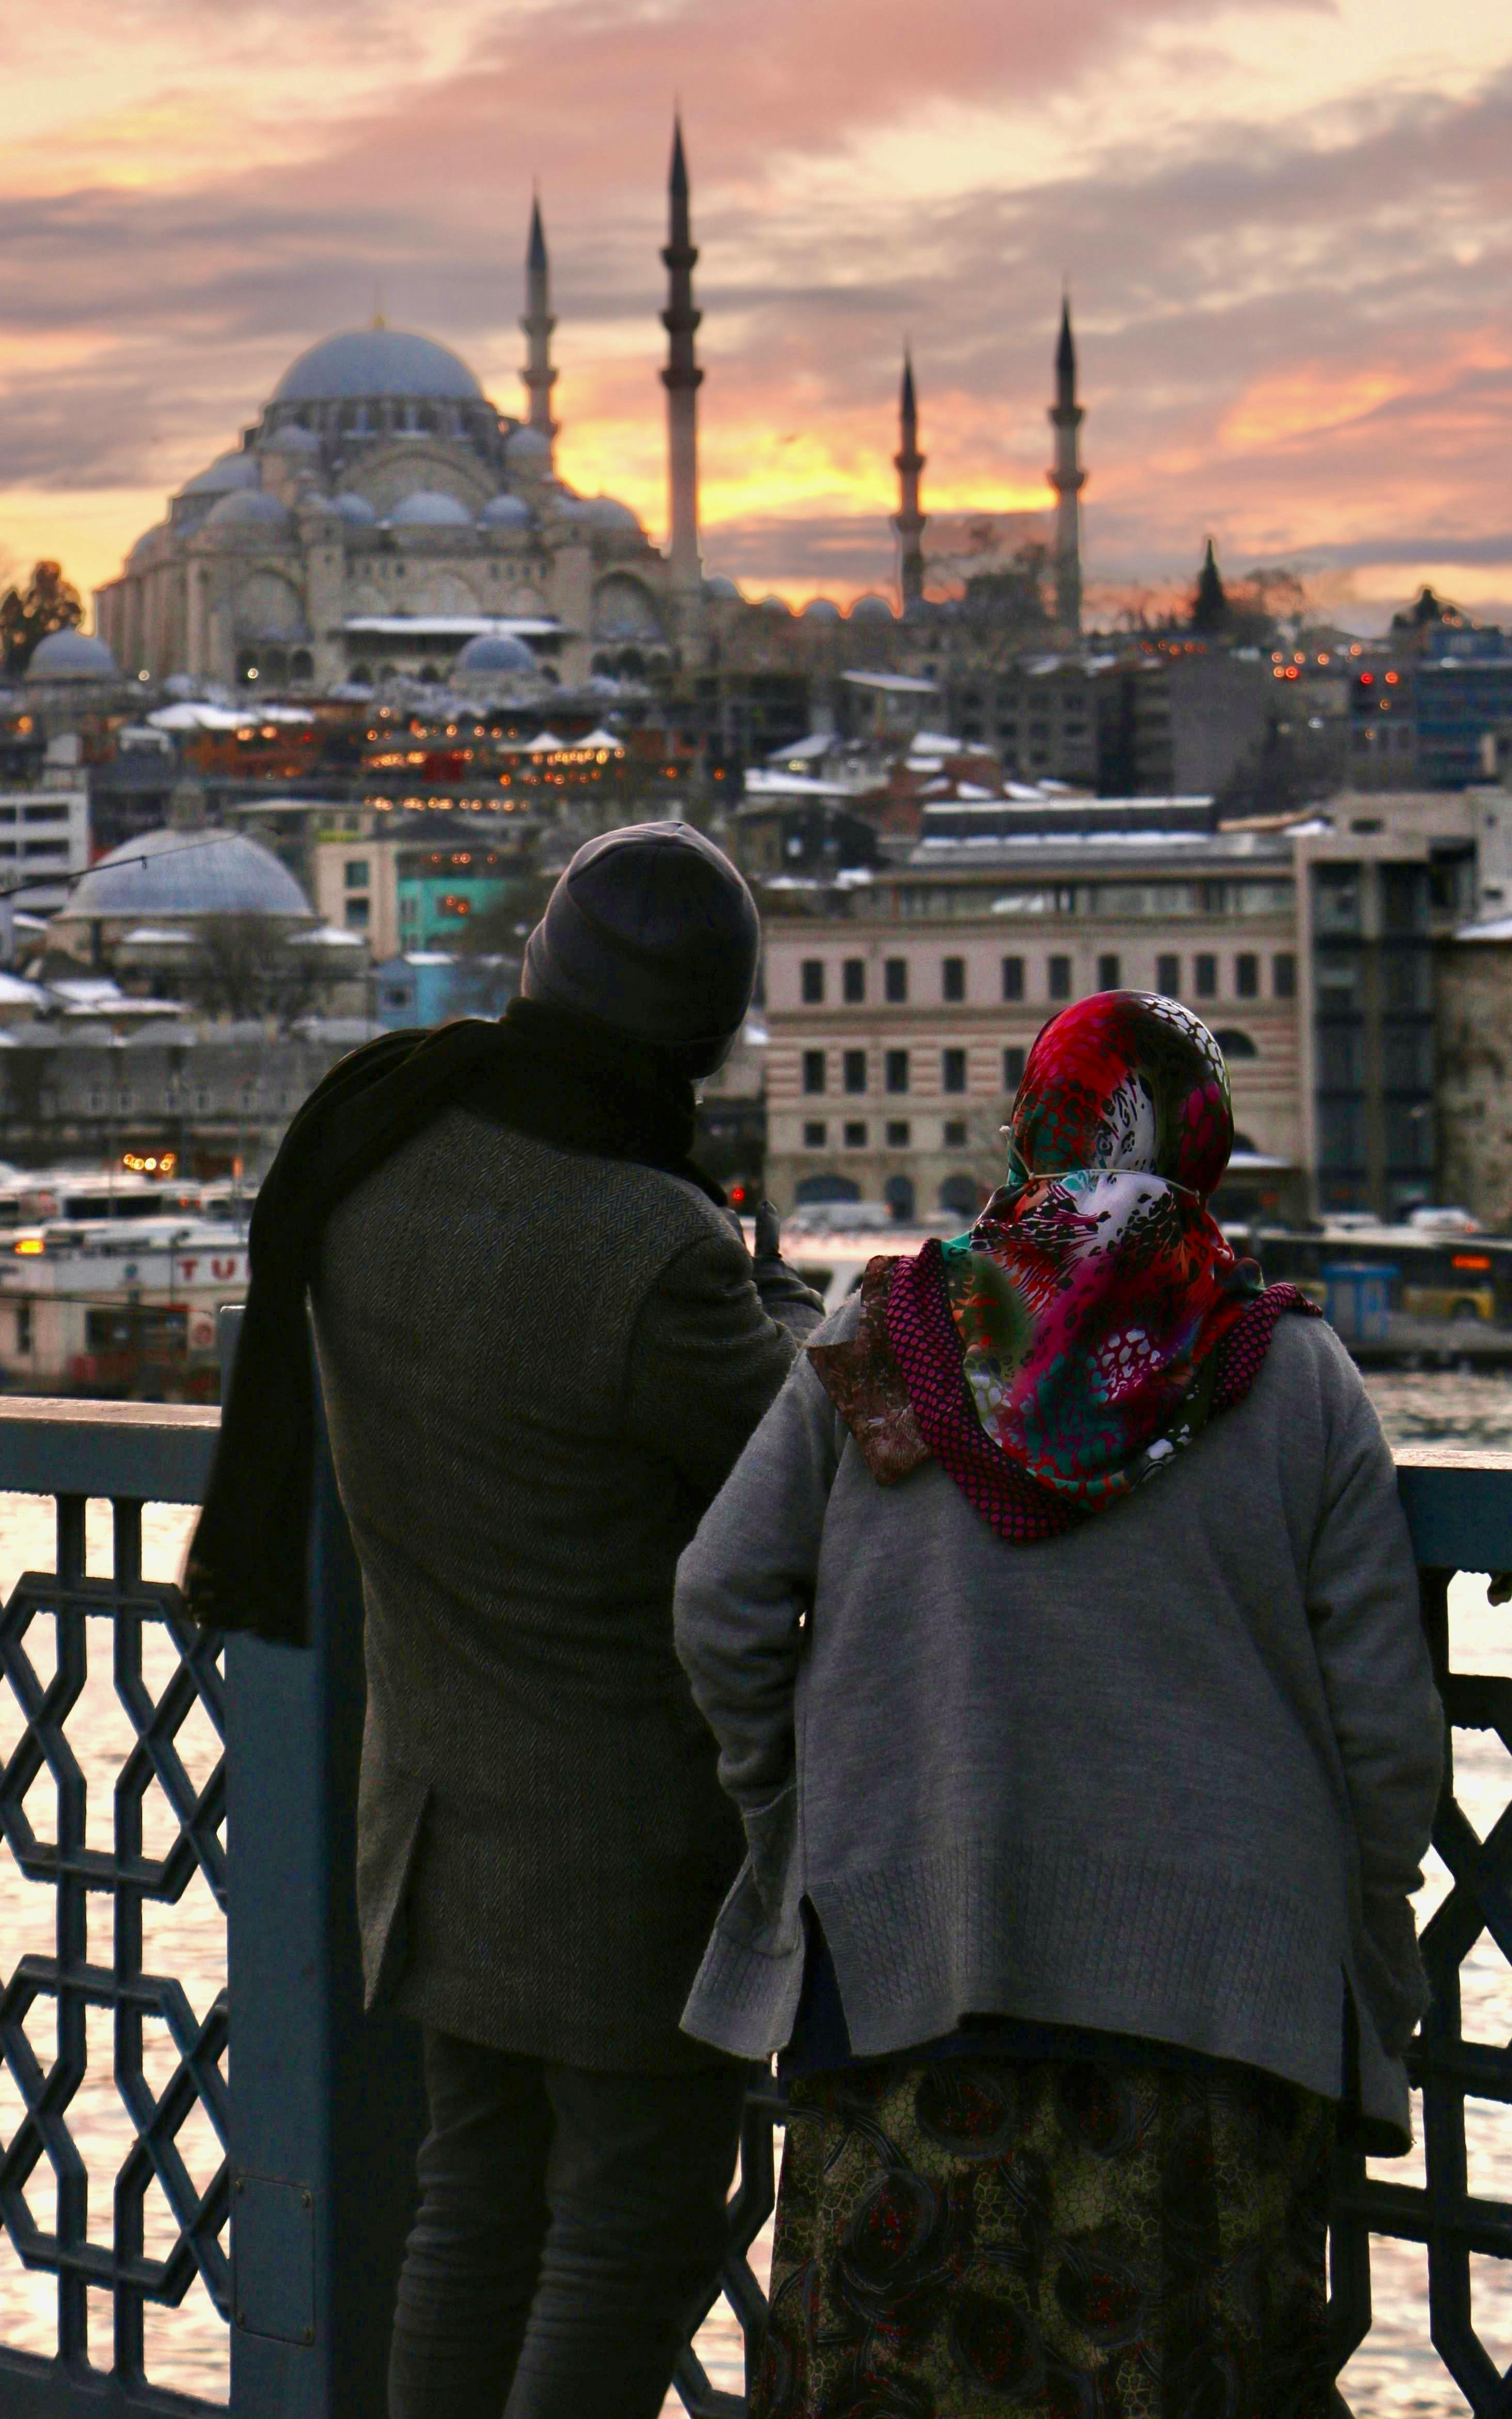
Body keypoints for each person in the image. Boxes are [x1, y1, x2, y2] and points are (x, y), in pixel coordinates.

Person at [673, 991, 1444, 2419]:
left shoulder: (877, 1334)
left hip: (908, 1981)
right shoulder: (1297, 1376)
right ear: (1206, 1144)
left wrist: (803, 1826)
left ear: (1029, 1122)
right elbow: (1390, 1738)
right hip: (1222, 2016)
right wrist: (1370, 1943)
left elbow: (722, 1602)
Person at [187, 819, 820, 2419]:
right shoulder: (652, 1247)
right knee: (633, 2231)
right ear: (703, 1034)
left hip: (430, 1813)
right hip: (622, 1847)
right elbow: (799, 1456)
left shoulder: (378, 1145)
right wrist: (797, 1300)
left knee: (470, 2210)